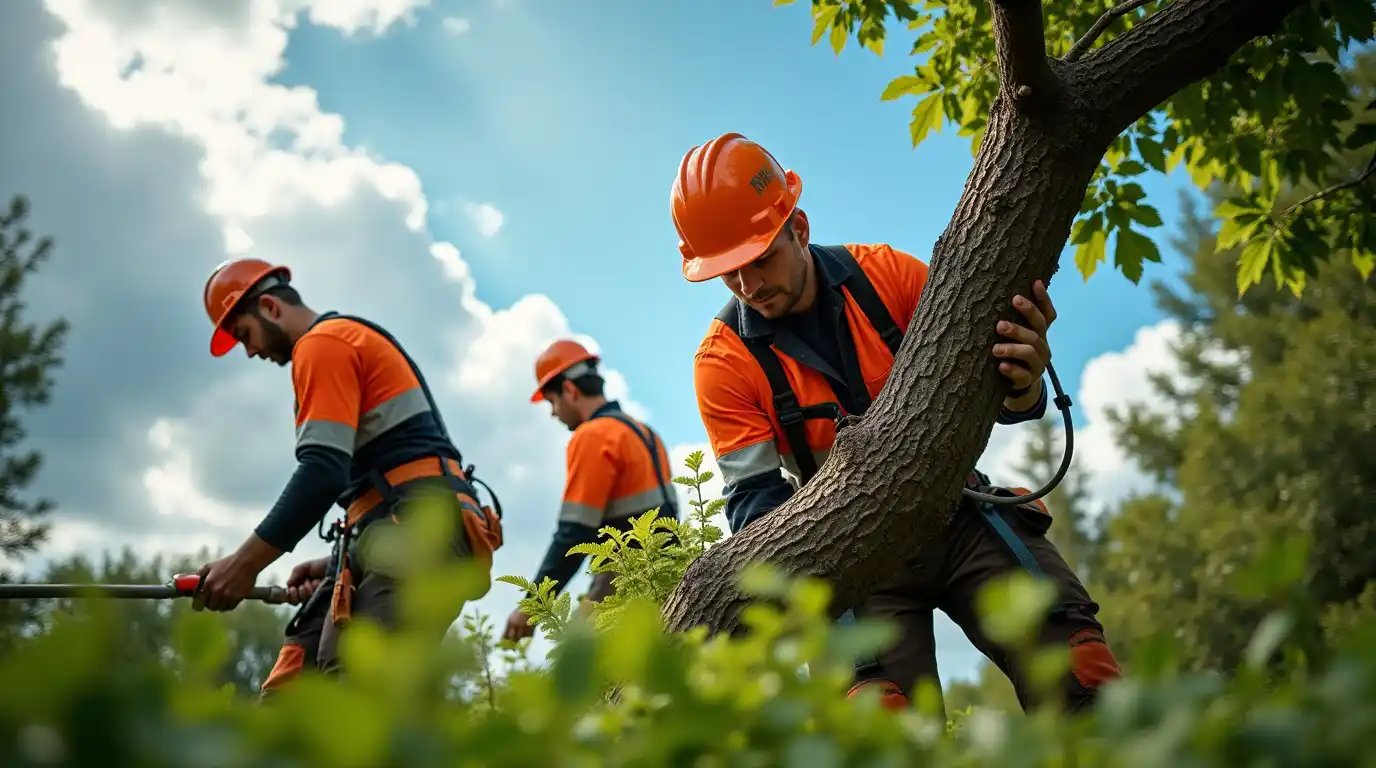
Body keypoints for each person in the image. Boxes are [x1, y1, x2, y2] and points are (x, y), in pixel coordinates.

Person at [673, 132, 1121, 715]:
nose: (749, 287)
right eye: (729, 273)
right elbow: (754, 510)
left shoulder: (891, 278)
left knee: (1080, 672)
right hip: (847, 562)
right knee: (881, 726)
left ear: (799, 228)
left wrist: (1025, 376)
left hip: (960, 514)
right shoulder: (723, 364)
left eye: (760, 260)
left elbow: (1005, 399)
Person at [191, 257, 504, 699]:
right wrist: (340, 559)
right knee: (294, 691)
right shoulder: (337, 344)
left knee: (358, 692)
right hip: (392, 528)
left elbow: (322, 471)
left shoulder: (324, 345)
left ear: (270, 307)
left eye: (244, 334)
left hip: (421, 531)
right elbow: (375, 478)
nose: (250, 351)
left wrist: (242, 567)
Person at [502, 339, 678, 643]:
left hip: (625, 579)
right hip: (670, 572)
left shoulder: (593, 436)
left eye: (551, 401)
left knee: (582, 669)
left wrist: (533, 605)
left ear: (570, 390)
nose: (554, 414)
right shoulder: (645, 433)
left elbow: (573, 531)